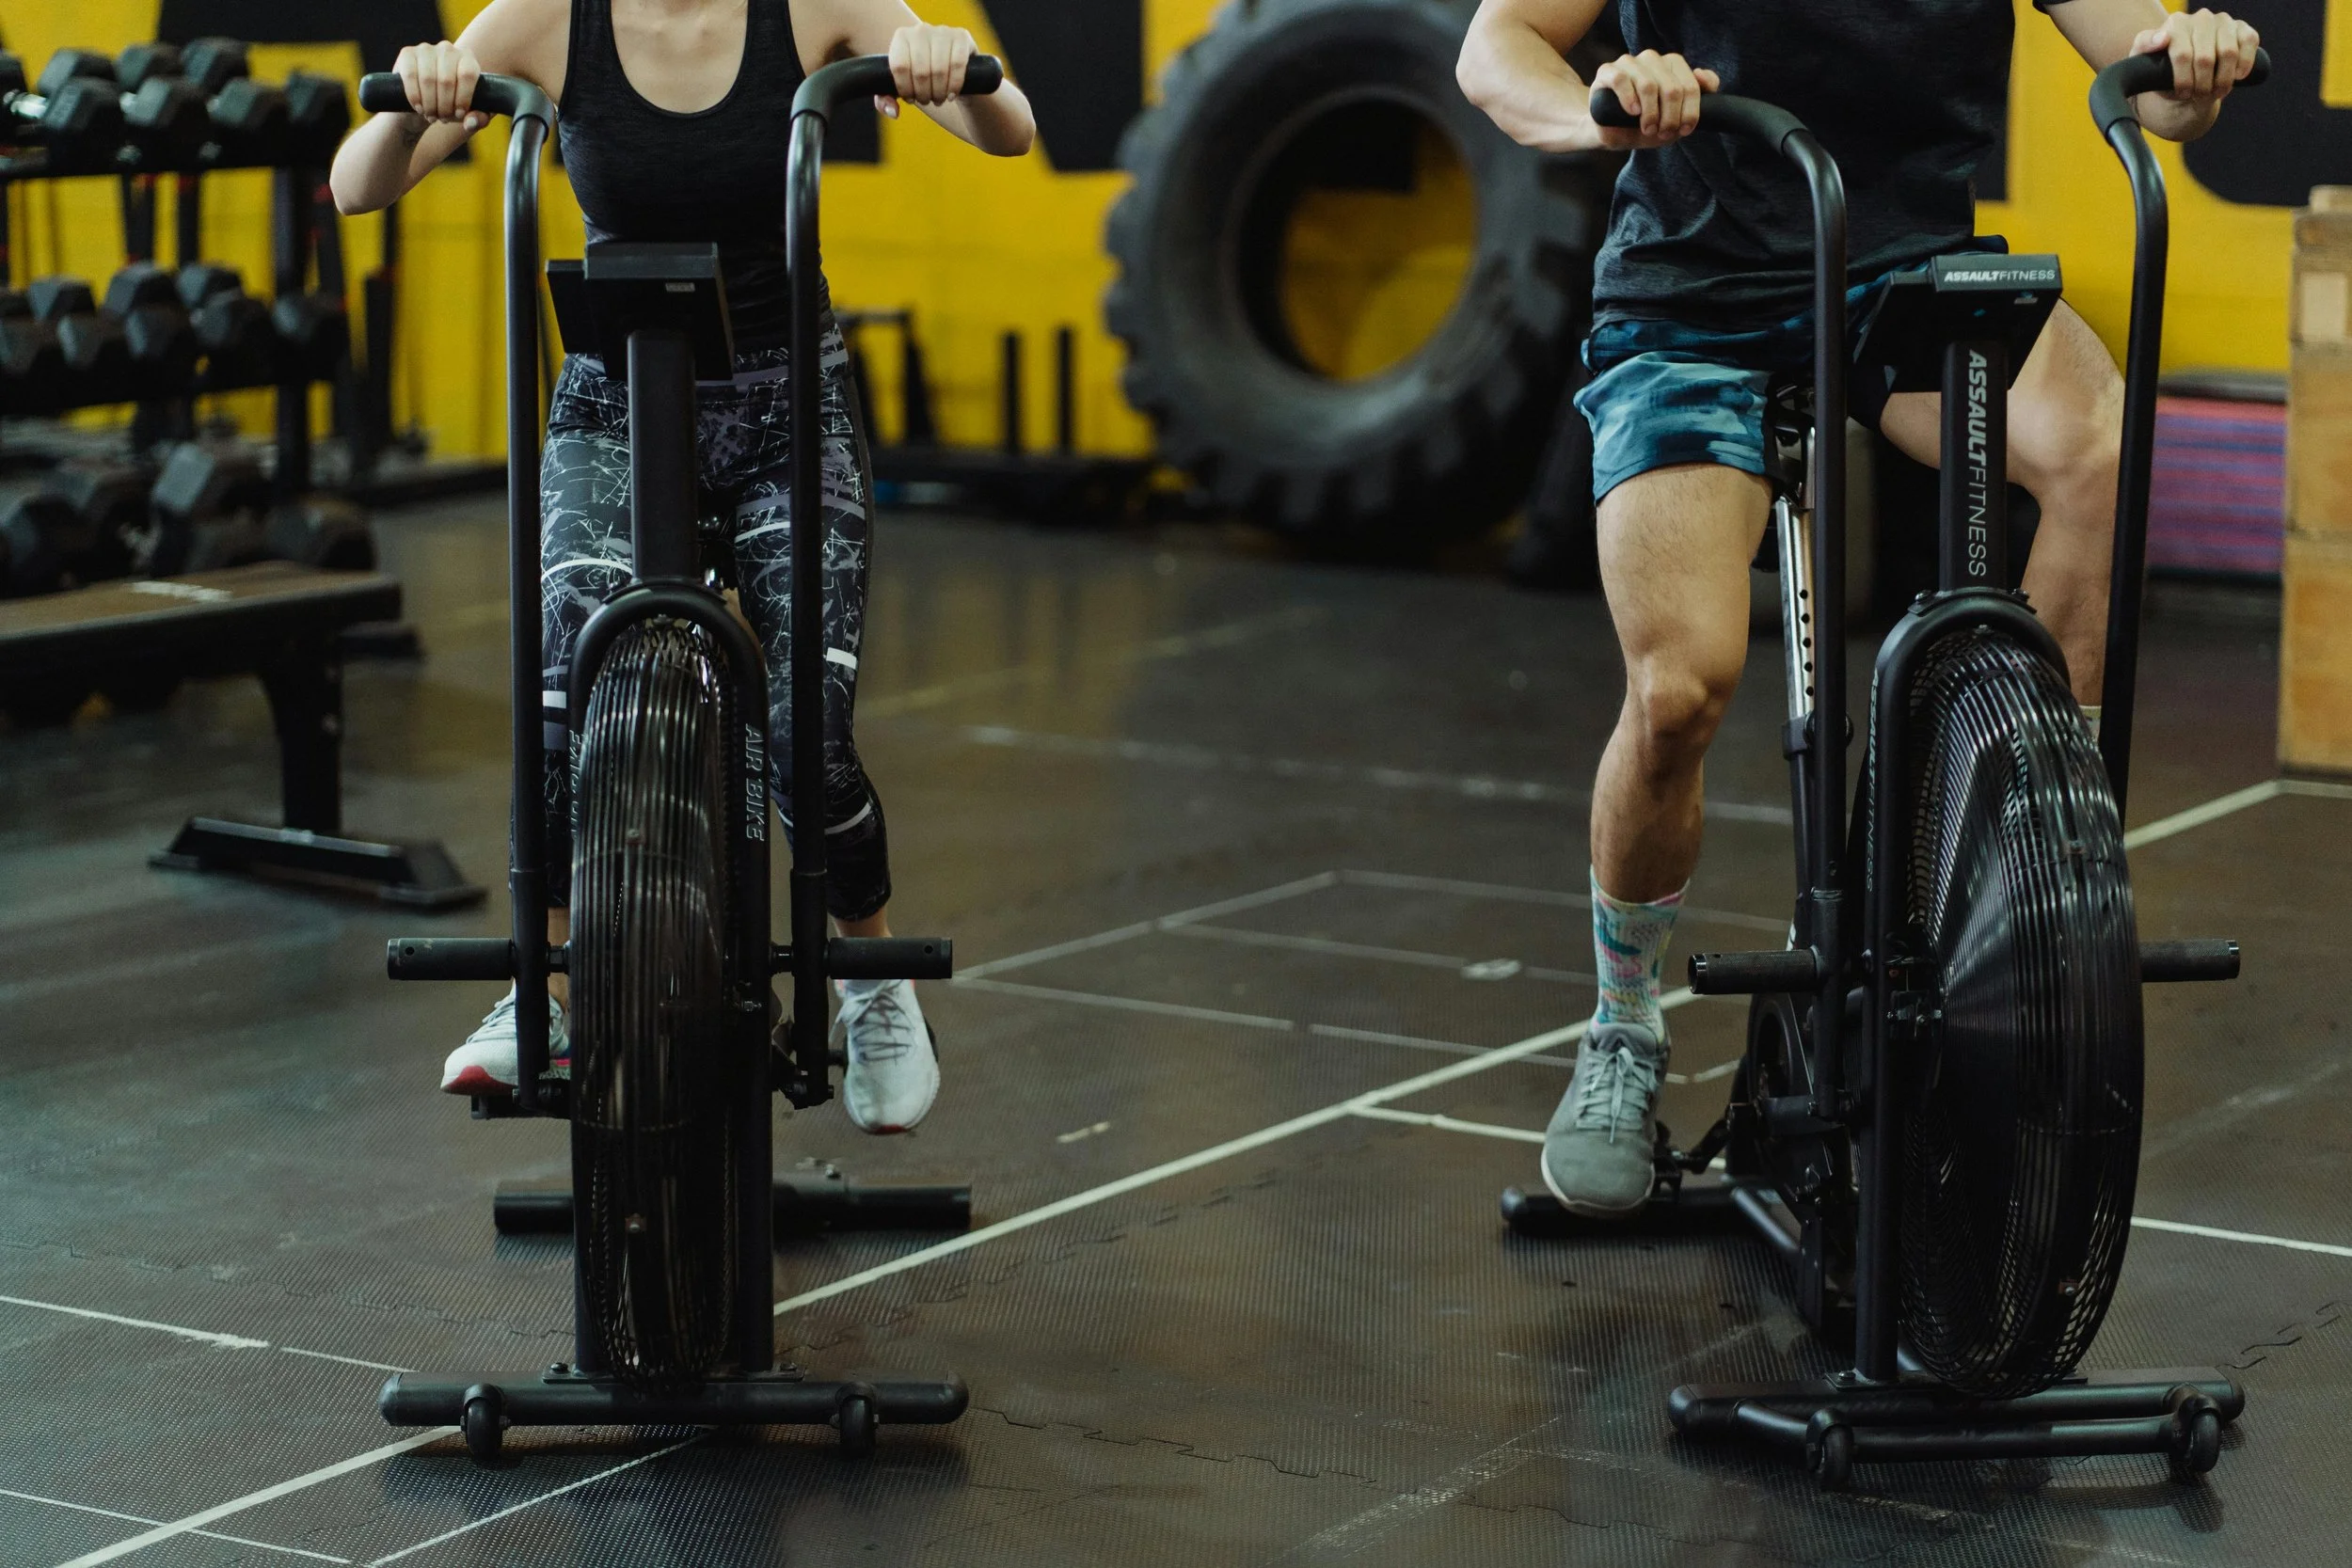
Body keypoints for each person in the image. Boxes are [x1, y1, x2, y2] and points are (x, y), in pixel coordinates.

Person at [1456, 1, 2258, 1215]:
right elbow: (1494, 45)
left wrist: (2193, 65)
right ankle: (1623, 1028)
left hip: (1904, 276)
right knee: (1679, 691)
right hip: (1690, 306)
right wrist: (1603, 109)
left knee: (2096, 453)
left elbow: (2159, 89)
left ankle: (2013, 860)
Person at [330, 0, 1034, 1132]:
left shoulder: (813, 5)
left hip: (783, 403)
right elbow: (360, 185)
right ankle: (540, 991)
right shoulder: (547, 17)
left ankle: (867, 977)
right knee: (562, 689)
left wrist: (947, 64)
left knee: (807, 720)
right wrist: (416, 93)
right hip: (615, 401)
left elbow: (1008, 131)